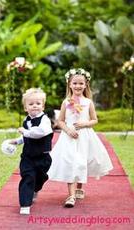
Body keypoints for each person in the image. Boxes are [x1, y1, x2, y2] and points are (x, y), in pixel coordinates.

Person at [48, 68, 113, 208]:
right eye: (75, 83)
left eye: (81, 83)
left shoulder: (88, 102)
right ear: (69, 84)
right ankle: (70, 196)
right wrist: (67, 130)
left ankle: (79, 187)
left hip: (85, 137)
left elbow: (94, 120)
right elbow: (60, 121)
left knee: (82, 162)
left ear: (85, 85)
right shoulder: (66, 102)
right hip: (69, 137)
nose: (78, 86)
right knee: (70, 163)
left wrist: (84, 124)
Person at [8, 88, 53, 215]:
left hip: (43, 157)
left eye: (38, 103)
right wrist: (17, 141)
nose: (35, 106)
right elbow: (27, 137)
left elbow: (40, 133)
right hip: (28, 157)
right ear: (25, 107)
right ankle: (25, 204)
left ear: (43, 106)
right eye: (31, 104)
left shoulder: (45, 120)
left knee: (40, 178)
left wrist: (25, 131)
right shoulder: (26, 120)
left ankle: (35, 189)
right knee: (27, 177)